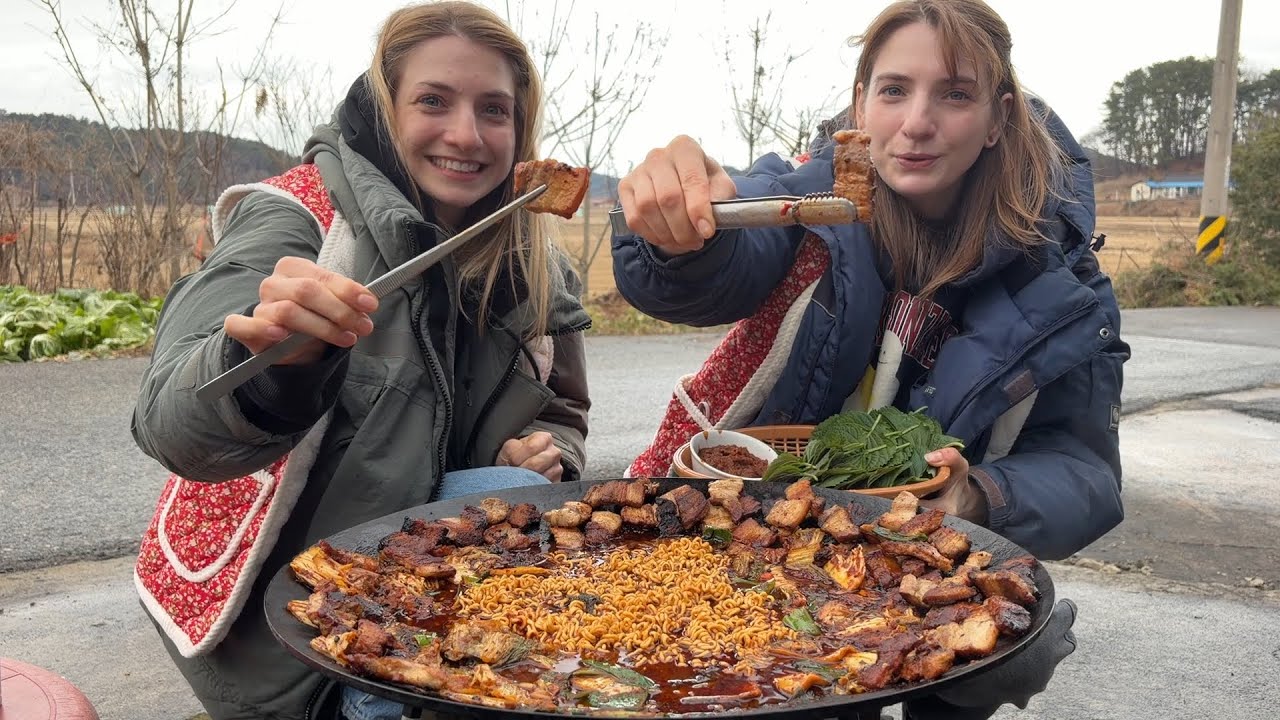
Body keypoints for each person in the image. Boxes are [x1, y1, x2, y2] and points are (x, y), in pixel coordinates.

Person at [613, 0, 1126, 717]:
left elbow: (1086, 472)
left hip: (926, 553)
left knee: (1014, 649)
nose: (916, 122)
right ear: (860, 104)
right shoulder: (806, 202)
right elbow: (718, 259)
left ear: (998, 118)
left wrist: (977, 496)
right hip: (770, 538)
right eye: (893, 90)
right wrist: (681, 236)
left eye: (955, 94)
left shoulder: (1064, 284)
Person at [130, 3, 590, 719]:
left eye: (493, 110)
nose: (466, 135)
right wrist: (275, 364)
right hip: (278, 604)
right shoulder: (300, 220)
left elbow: (563, 410)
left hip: (427, 553)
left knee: (525, 502)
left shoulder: (534, 262)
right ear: (385, 108)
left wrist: (549, 449)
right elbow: (170, 425)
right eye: (433, 101)